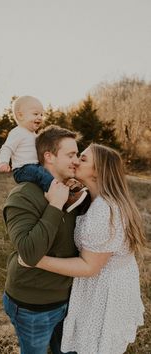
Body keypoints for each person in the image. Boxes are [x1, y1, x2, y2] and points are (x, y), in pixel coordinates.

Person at [19, 143, 145, 354]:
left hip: (104, 293)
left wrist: (36, 260)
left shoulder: (103, 210)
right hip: (112, 284)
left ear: (98, 171)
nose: (76, 160)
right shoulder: (96, 199)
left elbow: (89, 267)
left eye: (83, 159)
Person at [2, 125, 86, 354]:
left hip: (69, 299)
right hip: (33, 307)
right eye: (70, 155)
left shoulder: (75, 192)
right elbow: (29, 253)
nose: (76, 161)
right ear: (48, 156)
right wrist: (55, 205)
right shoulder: (23, 195)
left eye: (77, 155)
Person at [0, 95, 87, 212]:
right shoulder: (17, 132)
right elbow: (6, 148)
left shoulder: (34, 135)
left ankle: (68, 187)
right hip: (22, 169)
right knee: (42, 175)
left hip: (34, 166)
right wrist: (4, 162)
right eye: (35, 114)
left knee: (47, 174)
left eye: (41, 114)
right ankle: (67, 198)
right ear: (20, 115)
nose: (40, 117)